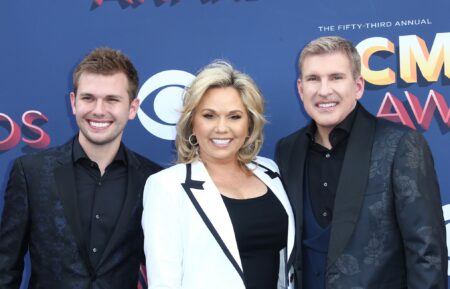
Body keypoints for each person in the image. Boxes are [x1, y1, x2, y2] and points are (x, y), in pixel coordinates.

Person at [276, 36, 447, 289]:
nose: (324, 90)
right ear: (300, 88)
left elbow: (427, 253)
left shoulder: (400, 145)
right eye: (314, 79)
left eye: (336, 77)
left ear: (358, 86)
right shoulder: (287, 150)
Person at [0, 47, 161, 288]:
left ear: (133, 108)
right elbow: (5, 267)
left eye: (112, 100)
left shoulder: (154, 180)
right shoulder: (31, 173)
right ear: (74, 103)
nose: (98, 110)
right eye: (88, 98)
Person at [142, 60, 295, 289]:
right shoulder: (167, 186)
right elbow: (165, 282)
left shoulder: (270, 171)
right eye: (209, 115)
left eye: (234, 116)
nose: (221, 128)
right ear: (193, 123)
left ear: (249, 124)